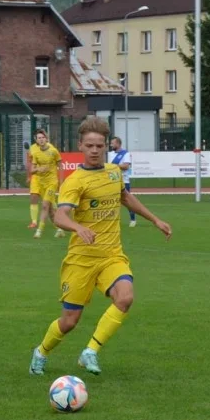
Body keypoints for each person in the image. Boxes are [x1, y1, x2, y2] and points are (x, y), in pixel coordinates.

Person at [29, 116, 172, 377]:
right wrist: (77, 227)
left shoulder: (113, 173)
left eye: (100, 146)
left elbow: (125, 198)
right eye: (90, 146)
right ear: (80, 146)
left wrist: (155, 220)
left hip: (111, 255)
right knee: (69, 321)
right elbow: (60, 215)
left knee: (126, 297)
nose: (95, 150)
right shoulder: (75, 181)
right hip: (81, 259)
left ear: (105, 146)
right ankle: (41, 352)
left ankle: (90, 351)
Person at [27, 129, 65, 239]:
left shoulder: (53, 151)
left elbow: (60, 165)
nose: (41, 139)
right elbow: (32, 170)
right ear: (36, 141)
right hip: (41, 182)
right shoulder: (36, 152)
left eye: (43, 137)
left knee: (44, 205)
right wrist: (39, 168)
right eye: (39, 138)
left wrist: (61, 182)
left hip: (52, 182)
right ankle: (60, 228)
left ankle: (39, 231)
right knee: (50, 209)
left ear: (46, 139)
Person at [107, 136, 135, 227]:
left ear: (118, 144)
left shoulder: (125, 154)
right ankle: (113, 220)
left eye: (113, 143)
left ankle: (133, 219)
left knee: (127, 201)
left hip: (124, 181)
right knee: (111, 201)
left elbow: (126, 166)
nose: (111, 145)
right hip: (112, 181)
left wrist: (114, 166)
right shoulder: (110, 154)